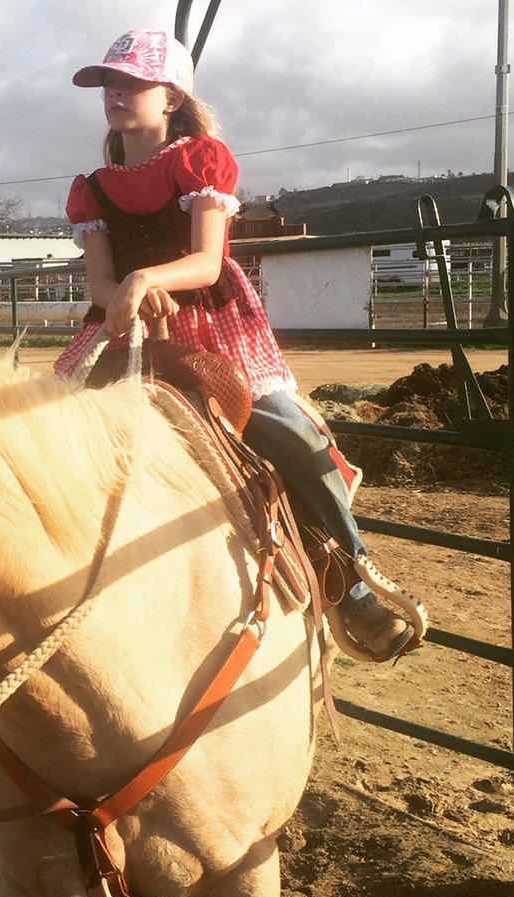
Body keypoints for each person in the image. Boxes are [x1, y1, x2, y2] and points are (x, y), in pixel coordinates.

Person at [55, 28, 414, 662]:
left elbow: (206, 262)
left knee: (289, 435)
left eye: (131, 81)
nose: (116, 92)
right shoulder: (94, 188)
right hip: (124, 324)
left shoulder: (200, 160)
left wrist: (146, 279)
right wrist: (126, 296)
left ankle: (353, 581)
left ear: (170, 97)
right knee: (51, 434)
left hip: (209, 322)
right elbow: (101, 280)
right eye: (110, 82)